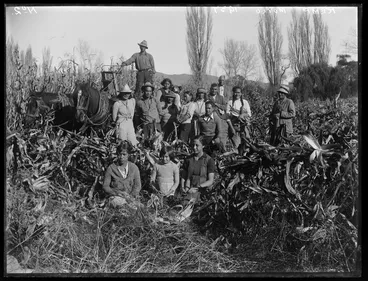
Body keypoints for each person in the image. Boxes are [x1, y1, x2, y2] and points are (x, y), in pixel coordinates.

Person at [102, 141, 141, 208]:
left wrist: (131, 196)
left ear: (128, 155)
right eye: (119, 154)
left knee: (140, 207)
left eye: (124, 154)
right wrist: (117, 193)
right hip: (116, 198)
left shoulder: (134, 168)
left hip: (131, 198)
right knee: (120, 204)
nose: (121, 157)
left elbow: (137, 185)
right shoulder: (111, 168)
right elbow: (105, 186)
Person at [181, 135, 216, 203]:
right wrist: (182, 187)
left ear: (203, 146)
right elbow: (184, 176)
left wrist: (197, 187)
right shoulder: (188, 159)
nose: (194, 147)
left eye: (197, 145)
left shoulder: (209, 160)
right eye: (193, 145)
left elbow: (210, 180)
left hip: (202, 192)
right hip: (189, 191)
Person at [207, 83, 230, 150]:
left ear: (217, 90)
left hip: (220, 117)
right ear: (210, 89)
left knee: (221, 133)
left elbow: (225, 107)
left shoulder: (221, 97)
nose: (214, 91)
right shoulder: (208, 97)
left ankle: (222, 149)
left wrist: (218, 105)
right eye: (212, 89)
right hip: (211, 117)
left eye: (215, 89)